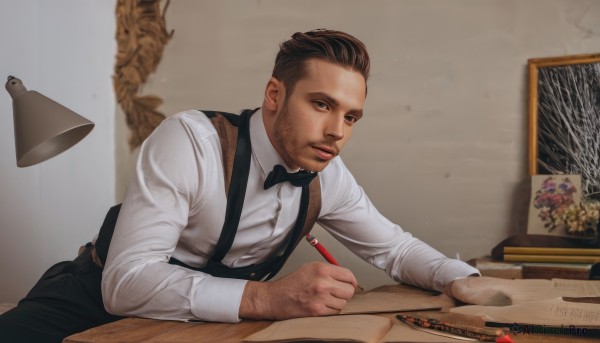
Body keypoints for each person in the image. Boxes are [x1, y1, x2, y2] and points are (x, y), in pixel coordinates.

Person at [0, 29, 480, 342]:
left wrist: (459, 277)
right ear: (275, 94)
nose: (338, 130)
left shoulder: (327, 175)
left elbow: (394, 249)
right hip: (88, 300)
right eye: (321, 104)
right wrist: (267, 299)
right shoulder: (190, 140)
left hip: (202, 328)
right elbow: (125, 285)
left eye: (351, 116)